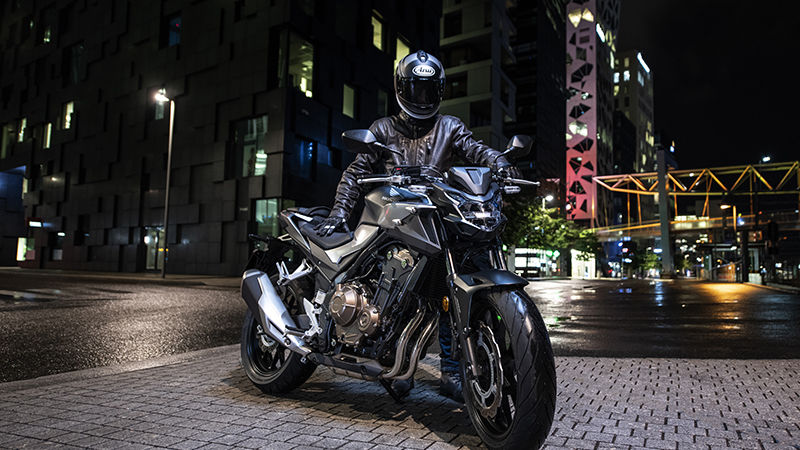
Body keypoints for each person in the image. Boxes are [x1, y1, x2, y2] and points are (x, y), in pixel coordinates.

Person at [314, 50, 520, 402]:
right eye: (415, 89)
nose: (421, 98)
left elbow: (476, 149)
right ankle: (392, 363)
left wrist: (500, 163)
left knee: (446, 297)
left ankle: (453, 372)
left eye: (428, 90)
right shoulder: (382, 129)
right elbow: (355, 174)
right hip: (392, 224)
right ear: (401, 88)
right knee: (395, 295)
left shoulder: (450, 127)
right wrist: (338, 214)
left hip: (436, 222)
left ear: (438, 91)